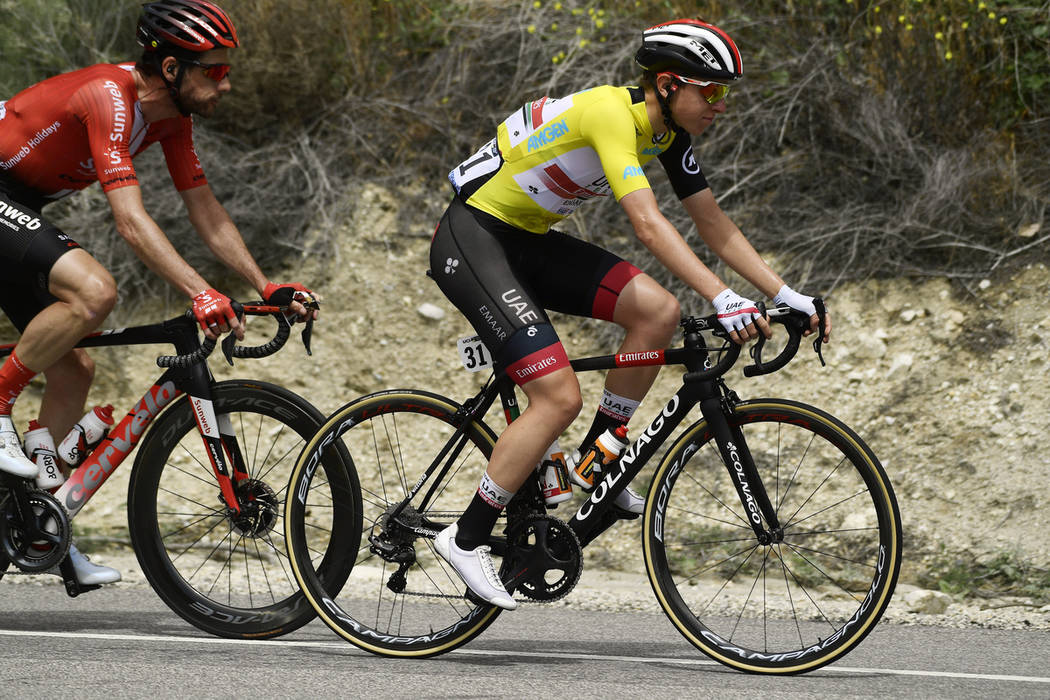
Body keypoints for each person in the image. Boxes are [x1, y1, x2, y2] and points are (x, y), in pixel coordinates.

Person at [429, 19, 832, 609]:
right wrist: (723, 299)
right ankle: (464, 537)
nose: (721, 105)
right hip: (474, 239)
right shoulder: (610, 115)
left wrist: (786, 292)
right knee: (558, 397)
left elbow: (711, 223)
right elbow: (647, 223)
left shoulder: (666, 136)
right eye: (711, 91)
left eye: (725, 93)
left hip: (527, 241)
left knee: (658, 311)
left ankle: (597, 467)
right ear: (668, 84)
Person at [0, 0, 317, 585]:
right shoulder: (108, 97)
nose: (226, 82)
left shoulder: (173, 119)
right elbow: (130, 219)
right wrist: (200, 292)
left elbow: (205, 210)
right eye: (213, 71)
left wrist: (265, 284)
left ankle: (39, 531)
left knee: (74, 371)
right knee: (94, 292)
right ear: (171, 68)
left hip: (20, 203)